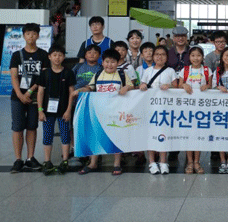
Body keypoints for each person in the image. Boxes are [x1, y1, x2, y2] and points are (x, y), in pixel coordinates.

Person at [77, 49, 135, 175]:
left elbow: (132, 86)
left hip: (116, 112)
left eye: (113, 62)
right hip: (99, 112)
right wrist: (81, 90)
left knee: (116, 138)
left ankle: (117, 164)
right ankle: (93, 163)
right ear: (102, 62)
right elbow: (91, 87)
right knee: (96, 137)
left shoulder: (122, 74)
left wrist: (126, 87)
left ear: (117, 63)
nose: (109, 64)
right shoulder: (98, 74)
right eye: (107, 61)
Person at [9, 23, 50, 173]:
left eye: (33, 34)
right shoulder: (16, 55)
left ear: (38, 36)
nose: (31, 36)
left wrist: (30, 91)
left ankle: (30, 157)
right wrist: (20, 94)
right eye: (28, 34)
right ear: (23, 36)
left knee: (32, 126)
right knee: (17, 127)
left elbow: (44, 76)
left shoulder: (43, 55)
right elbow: (14, 77)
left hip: (35, 97)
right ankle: (18, 159)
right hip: (17, 97)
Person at [37, 45, 76, 175]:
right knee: (47, 135)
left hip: (63, 111)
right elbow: (40, 92)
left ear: (63, 57)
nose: (57, 58)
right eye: (54, 55)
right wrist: (40, 110)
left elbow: (71, 92)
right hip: (47, 111)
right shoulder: (45, 73)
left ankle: (65, 160)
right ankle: (47, 161)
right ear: (49, 57)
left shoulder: (68, 73)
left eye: (60, 55)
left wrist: (68, 110)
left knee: (65, 135)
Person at [139, 45, 178, 175]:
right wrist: (142, 86)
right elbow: (141, 85)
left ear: (166, 57)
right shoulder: (148, 71)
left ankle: (163, 161)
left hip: (165, 109)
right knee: (150, 134)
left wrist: (170, 86)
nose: (159, 57)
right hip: (150, 108)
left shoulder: (171, 71)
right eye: (157, 54)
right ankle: (151, 162)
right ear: (153, 56)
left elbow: (177, 88)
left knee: (164, 134)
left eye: (162, 54)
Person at [178, 46, 211, 175]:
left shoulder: (207, 70)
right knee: (188, 135)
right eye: (193, 55)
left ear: (202, 57)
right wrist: (184, 85)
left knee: (199, 135)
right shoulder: (185, 70)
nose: (196, 58)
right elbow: (179, 85)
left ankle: (197, 162)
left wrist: (207, 86)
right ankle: (190, 162)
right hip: (187, 109)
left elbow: (211, 85)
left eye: (198, 55)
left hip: (202, 109)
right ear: (189, 57)